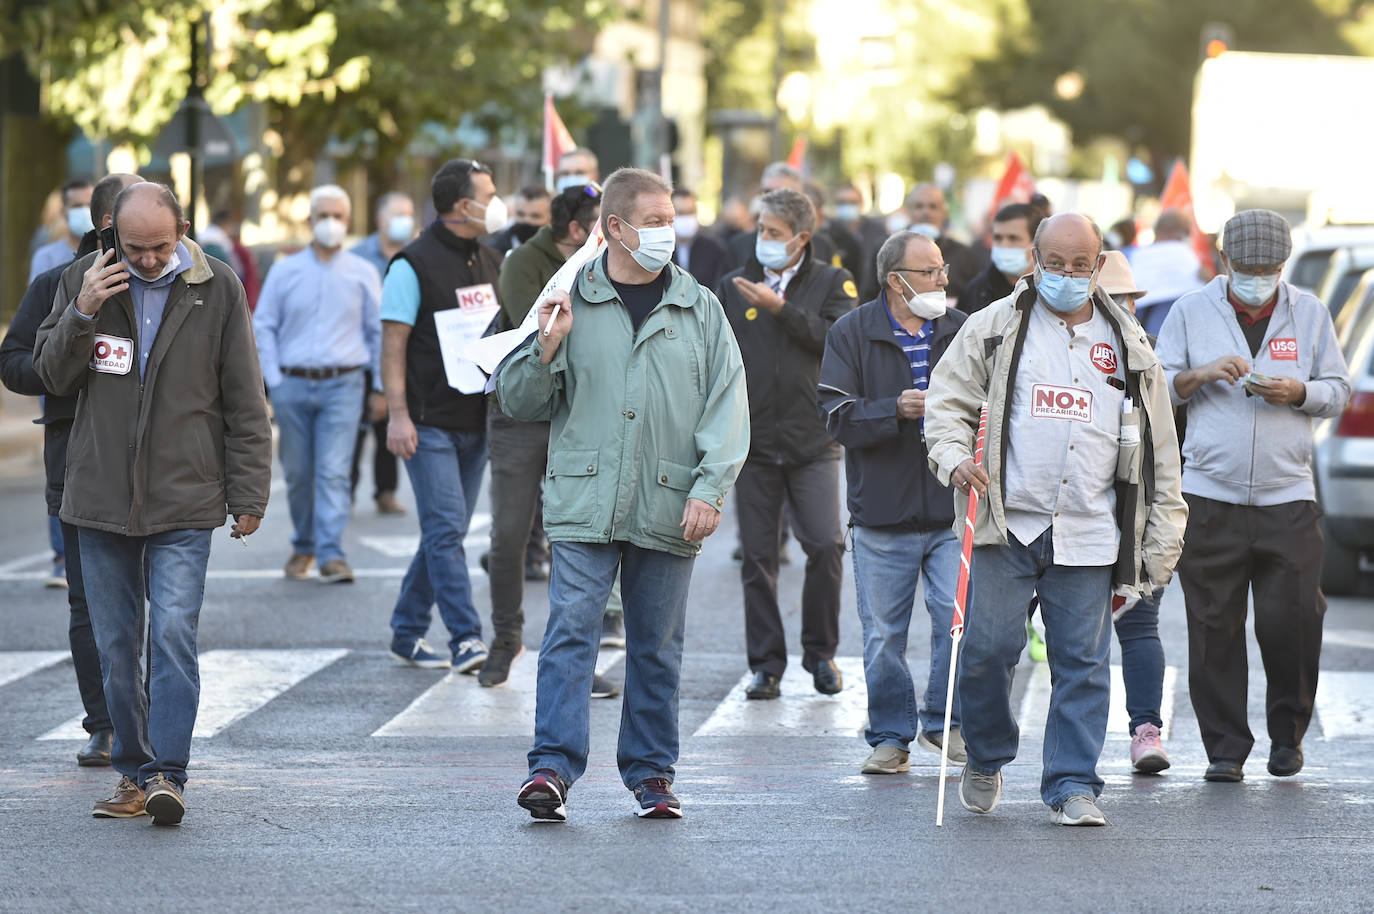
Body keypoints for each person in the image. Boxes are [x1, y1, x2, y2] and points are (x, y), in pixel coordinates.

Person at [499, 167, 748, 822]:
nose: (669, 231)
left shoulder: (699, 307)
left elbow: (728, 404)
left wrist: (710, 488)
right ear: (615, 227)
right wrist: (545, 346)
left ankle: (651, 774)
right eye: (655, 221)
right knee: (570, 634)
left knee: (656, 647)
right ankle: (551, 768)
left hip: (669, 500)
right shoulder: (568, 298)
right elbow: (519, 401)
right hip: (585, 498)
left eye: (671, 220)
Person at [924, 213, 1187, 826]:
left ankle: (1073, 785)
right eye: (1056, 264)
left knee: (1083, 667)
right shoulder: (994, 326)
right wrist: (955, 457)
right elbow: (946, 402)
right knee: (987, 652)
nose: (1067, 275)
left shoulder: (1129, 345)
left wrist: (1161, 538)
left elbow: (1161, 450)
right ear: (1035, 262)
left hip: (1090, 531)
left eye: (1080, 265)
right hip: (1008, 524)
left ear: (1098, 267)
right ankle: (985, 755)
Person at [33, 181, 272, 825]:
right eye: (134, 246)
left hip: (185, 496)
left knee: (171, 633)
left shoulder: (217, 286)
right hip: (100, 496)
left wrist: (249, 492)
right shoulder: (84, 280)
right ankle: (134, 772)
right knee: (115, 646)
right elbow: (50, 376)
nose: (146, 259)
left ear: (182, 231)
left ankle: (168, 772)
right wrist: (82, 311)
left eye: (159, 247)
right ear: (111, 233)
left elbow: (244, 397)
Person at [1156, 209, 1351, 784]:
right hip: (1209, 496)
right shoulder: (1191, 310)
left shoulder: (1310, 312)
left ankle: (1287, 737)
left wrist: (1298, 392)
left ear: (1283, 266)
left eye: (1269, 271)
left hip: (1288, 496)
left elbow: (1338, 390)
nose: (1258, 279)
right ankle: (1225, 749)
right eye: (1248, 269)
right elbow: (1158, 385)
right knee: (1213, 624)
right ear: (1225, 260)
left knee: (1294, 619)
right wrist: (1202, 374)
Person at [1, 172, 140, 768]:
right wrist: (64, 363)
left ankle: (147, 721)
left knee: (154, 600)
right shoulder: (56, 284)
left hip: (150, 466)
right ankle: (104, 724)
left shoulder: (171, 285)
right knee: (89, 602)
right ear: (110, 223)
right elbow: (14, 362)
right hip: (77, 462)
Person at [817, 230, 969, 773]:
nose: (942, 280)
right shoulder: (852, 332)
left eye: (943, 269)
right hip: (881, 513)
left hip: (953, 509)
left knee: (957, 622)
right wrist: (894, 409)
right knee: (883, 636)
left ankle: (945, 723)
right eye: (930, 272)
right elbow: (835, 415)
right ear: (895, 281)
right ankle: (890, 737)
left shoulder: (961, 329)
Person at [718, 188, 855, 700]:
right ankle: (766, 665)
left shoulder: (832, 282)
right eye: (761, 230)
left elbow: (838, 339)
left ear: (801, 238)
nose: (764, 240)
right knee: (758, 559)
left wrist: (781, 309)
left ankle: (820, 654)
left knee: (825, 544)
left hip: (812, 440)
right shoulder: (735, 283)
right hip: (753, 442)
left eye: (774, 233)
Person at [482, 182, 613, 689]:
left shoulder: (608, 262)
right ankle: (505, 638)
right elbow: (535, 336)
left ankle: (576, 658)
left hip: (576, 411)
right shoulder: (522, 262)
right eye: (602, 223)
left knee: (578, 538)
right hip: (520, 414)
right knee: (509, 534)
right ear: (578, 230)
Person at [381, 159, 503, 672]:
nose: (496, 204)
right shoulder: (411, 264)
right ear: (463, 204)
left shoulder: (492, 260)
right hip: (428, 423)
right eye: (489, 195)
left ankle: (407, 629)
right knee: (448, 529)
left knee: (443, 532)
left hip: (477, 420)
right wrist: (398, 416)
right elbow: (393, 344)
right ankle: (466, 638)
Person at [254, 184, 382, 584]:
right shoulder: (285, 270)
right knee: (297, 473)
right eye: (323, 215)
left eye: (337, 216)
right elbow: (263, 325)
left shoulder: (363, 272)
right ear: (309, 220)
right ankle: (304, 544)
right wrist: (274, 381)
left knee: (333, 471)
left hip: (344, 385)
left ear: (348, 220)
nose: (331, 223)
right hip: (291, 385)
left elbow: (377, 332)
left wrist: (380, 386)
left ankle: (330, 553)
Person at [350, 192, 416, 515]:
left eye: (408, 214)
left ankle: (386, 492)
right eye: (397, 214)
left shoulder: (415, 254)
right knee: (354, 430)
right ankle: (345, 492)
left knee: (392, 422)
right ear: (380, 219)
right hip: (362, 356)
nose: (404, 221)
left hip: (400, 354)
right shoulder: (357, 257)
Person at [1130, 209, 1207, 336]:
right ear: (1178, 233)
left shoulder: (1132, 255)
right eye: (1187, 232)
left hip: (1142, 335)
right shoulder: (1188, 256)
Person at [899, 184, 979, 305]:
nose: (926, 212)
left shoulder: (963, 254)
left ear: (944, 213)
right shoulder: (889, 250)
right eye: (919, 206)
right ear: (908, 211)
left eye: (933, 207)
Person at [960, 203, 1042, 316]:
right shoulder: (975, 291)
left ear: (1035, 243)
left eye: (1013, 238)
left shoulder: (1050, 289)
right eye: (997, 238)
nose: (1004, 246)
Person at [29, 177, 94, 283]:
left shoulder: (108, 252)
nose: (84, 210)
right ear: (63, 211)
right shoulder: (46, 258)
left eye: (89, 205)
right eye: (77, 206)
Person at [830, 183, 887, 302]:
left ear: (861, 203)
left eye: (852, 202)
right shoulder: (828, 232)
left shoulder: (877, 231)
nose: (847, 207)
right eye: (842, 202)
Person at [671, 187, 728, 292]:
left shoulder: (714, 248)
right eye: (680, 213)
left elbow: (720, 286)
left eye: (690, 212)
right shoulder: (662, 249)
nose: (686, 218)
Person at [486, 185, 551, 254]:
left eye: (535, 216)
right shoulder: (492, 251)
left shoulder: (557, 252)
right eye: (521, 214)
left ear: (550, 218)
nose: (527, 220)